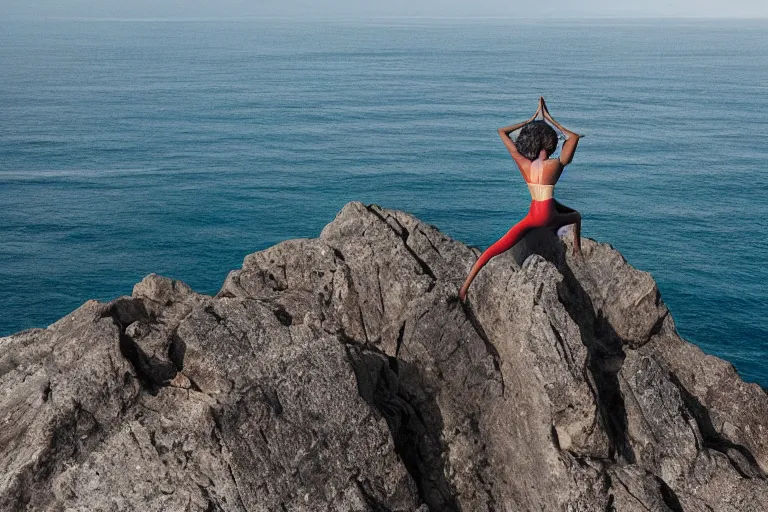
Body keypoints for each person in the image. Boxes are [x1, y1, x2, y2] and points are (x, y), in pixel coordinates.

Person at [458, 97, 583, 302]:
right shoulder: (555, 165)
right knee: (576, 216)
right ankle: (577, 250)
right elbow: (574, 137)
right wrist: (550, 119)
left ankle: (464, 289)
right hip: (548, 216)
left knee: (493, 250)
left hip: (532, 215)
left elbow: (502, 132)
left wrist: (531, 120)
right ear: (550, 143)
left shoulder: (524, 163)